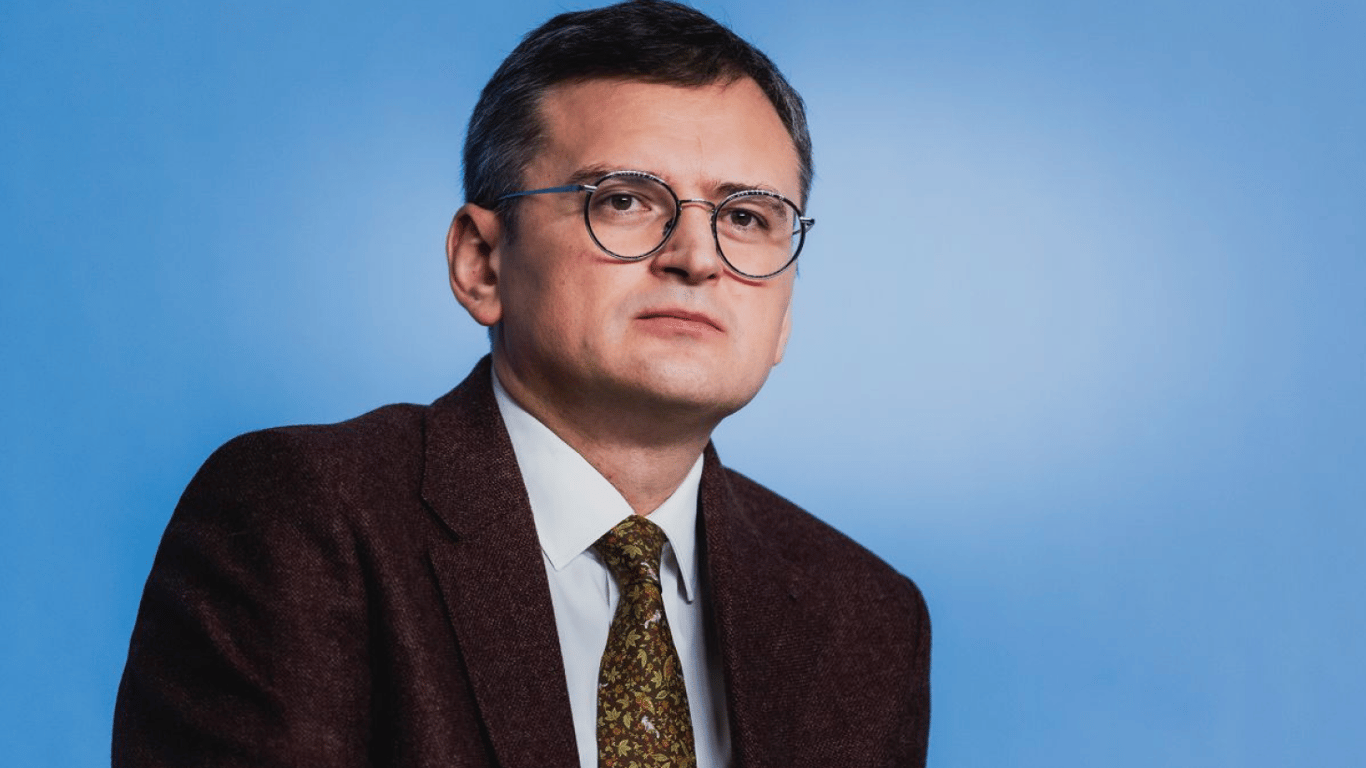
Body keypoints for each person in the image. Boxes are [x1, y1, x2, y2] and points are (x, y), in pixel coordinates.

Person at [112, 1, 930, 766]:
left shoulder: (865, 616)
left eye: (747, 217)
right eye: (624, 201)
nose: (697, 257)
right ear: (481, 263)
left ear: (784, 311)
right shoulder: (304, 519)